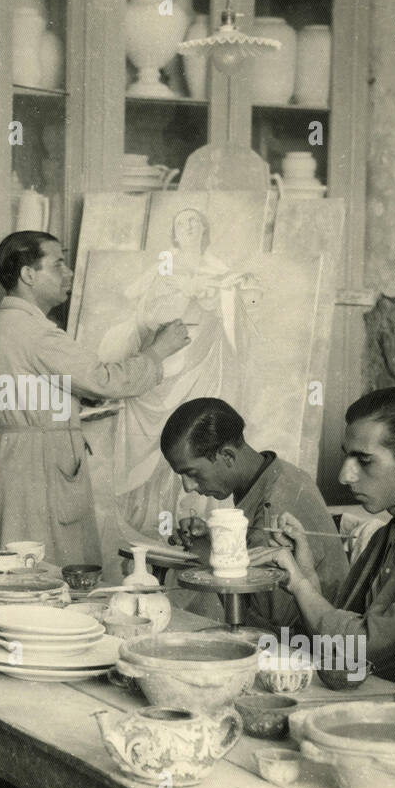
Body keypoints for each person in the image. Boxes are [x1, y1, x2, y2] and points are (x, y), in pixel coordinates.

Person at [0, 231, 190, 565]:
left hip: (11, 458)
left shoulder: (0, 325)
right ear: (28, 275)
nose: (69, 273)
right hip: (37, 463)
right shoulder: (35, 331)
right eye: (58, 263)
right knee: (42, 566)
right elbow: (105, 380)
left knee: (12, 562)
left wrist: (82, 401)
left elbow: (37, 390)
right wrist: (158, 352)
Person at [248, 387, 395, 686]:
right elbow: (340, 636)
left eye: (364, 460)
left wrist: (301, 586)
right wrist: (309, 578)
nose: (344, 476)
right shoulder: (387, 535)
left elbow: (362, 647)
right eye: (347, 458)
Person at [99, 207, 258, 547]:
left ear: (205, 228)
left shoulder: (217, 267)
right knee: (165, 440)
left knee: (197, 440)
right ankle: (153, 515)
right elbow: (146, 309)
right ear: (174, 232)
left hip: (201, 359)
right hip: (169, 358)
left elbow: (234, 311)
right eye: (181, 222)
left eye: (194, 221)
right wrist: (182, 291)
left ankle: (192, 518)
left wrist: (219, 293)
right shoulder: (165, 265)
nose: (188, 226)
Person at [160, 397, 349, 627]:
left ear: (227, 456)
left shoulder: (276, 505)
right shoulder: (270, 475)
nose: (188, 486)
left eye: (192, 473)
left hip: (312, 646)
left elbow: (268, 623)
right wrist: (214, 539)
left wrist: (211, 556)